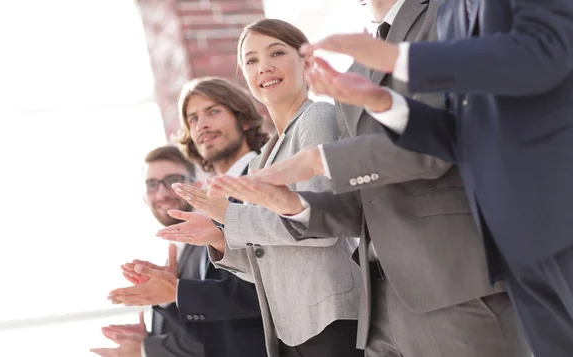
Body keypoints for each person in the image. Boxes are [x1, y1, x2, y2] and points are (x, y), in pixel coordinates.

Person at [240, 1, 573, 356]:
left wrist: (322, 159)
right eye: (250, 60)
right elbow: (438, 144)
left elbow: (438, 151)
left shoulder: (439, 16)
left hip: (459, 281)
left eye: (276, 52)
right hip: (382, 305)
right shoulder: (355, 70)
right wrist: (295, 206)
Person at [157, 20, 362, 357]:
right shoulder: (262, 161)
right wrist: (219, 239)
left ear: (307, 62)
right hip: (288, 331)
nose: (263, 66)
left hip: (331, 320)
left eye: (277, 52)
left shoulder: (317, 118)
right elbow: (271, 260)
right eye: (251, 60)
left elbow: (321, 227)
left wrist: (230, 216)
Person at [93, 146, 267, 357]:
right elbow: (199, 328)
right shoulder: (178, 252)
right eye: (152, 185)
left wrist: (144, 350)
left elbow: (228, 326)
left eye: (172, 181)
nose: (162, 193)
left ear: (195, 186)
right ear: (143, 197)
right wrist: (152, 335)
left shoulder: (212, 242)